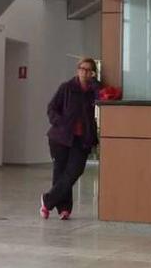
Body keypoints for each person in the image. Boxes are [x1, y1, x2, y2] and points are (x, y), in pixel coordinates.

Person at [40, 57, 100, 220]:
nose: (85, 72)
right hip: (61, 137)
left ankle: (47, 200)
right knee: (60, 173)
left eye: (89, 70)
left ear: (93, 73)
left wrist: (94, 83)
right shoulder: (66, 88)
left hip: (82, 139)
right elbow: (52, 108)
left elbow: (102, 98)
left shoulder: (92, 91)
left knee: (74, 171)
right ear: (77, 70)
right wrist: (60, 123)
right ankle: (64, 209)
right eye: (82, 68)